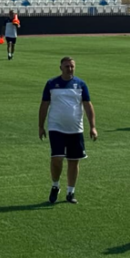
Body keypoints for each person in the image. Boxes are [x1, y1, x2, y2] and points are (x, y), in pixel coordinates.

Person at [39, 57, 97, 205]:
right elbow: (44, 105)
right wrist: (41, 126)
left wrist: (93, 126)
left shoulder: (81, 84)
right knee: (57, 159)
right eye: (67, 66)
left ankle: (70, 191)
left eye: (72, 66)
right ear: (61, 68)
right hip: (56, 127)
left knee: (73, 161)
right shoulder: (51, 84)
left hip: (76, 129)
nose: (69, 69)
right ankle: (55, 185)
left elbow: (88, 106)